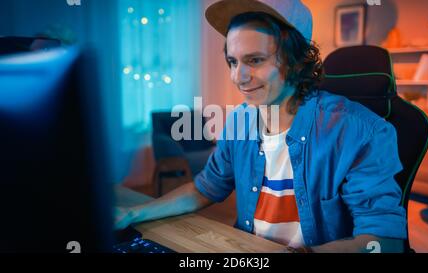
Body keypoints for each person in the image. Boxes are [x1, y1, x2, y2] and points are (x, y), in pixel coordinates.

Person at [115, 0, 406, 253]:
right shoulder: (240, 121)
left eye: (254, 60)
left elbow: (384, 241)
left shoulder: (359, 131)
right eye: (232, 61)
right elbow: (204, 189)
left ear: (297, 61)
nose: (237, 77)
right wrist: (132, 214)